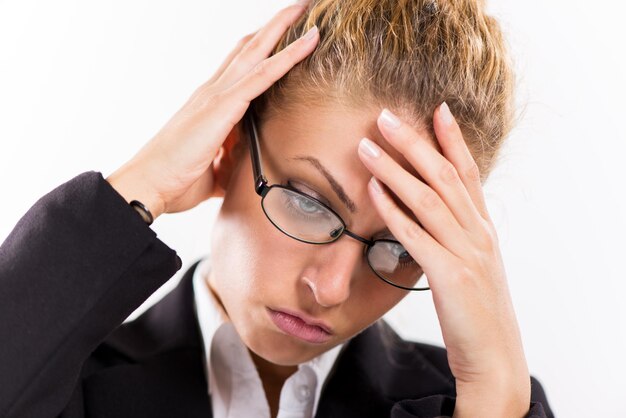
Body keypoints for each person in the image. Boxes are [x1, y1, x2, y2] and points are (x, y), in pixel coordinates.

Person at [0, 0, 554, 416]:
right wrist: (139, 184)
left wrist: (495, 398)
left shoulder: (479, 402)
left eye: (401, 248)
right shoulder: (62, 374)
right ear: (231, 145)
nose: (332, 288)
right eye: (309, 202)